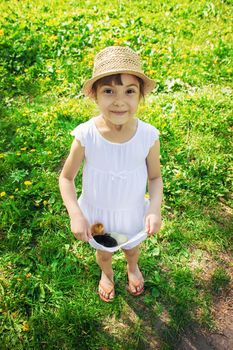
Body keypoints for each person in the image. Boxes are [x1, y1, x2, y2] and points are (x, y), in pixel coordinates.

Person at [59, 46, 163, 302]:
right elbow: (66, 178)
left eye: (129, 91)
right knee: (105, 252)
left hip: (132, 210)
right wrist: (75, 214)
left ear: (140, 96)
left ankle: (132, 268)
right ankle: (106, 273)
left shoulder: (148, 136)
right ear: (95, 95)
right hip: (98, 214)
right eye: (109, 91)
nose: (119, 101)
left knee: (132, 248)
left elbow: (155, 178)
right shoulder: (86, 136)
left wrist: (154, 209)